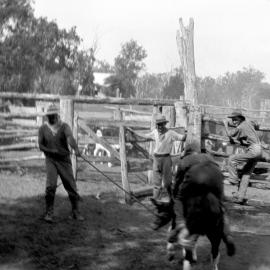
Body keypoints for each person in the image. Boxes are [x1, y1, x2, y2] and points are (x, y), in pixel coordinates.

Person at [170, 142, 235, 260]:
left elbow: (177, 183)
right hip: (215, 174)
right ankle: (227, 236)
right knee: (221, 206)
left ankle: (180, 225)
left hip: (197, 176)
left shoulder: (185, 160)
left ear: (187, 152)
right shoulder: (208, 156)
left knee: (180, 200)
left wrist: (176, 199)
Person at [38, 103, 84, 222]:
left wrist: (76, 149)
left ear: (56, 115)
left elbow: (70, 138)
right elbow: (40, 145)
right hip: (51, 161)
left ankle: (75, 212)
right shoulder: (43, 129)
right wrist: (50, 150)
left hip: (64, 160)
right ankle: (49, 213)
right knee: (50, 186)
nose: (51, 117)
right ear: (47, 116)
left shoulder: (64, 127)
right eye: (49, 115)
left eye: (53, 115)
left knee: (71, 186)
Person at [135, 113, 186, 200]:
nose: (159, 127)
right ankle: (156, 198)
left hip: (166, 158)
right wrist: (134, 132)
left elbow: (182, 138)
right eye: (158, 125)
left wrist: (188, 136)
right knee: (156, 180)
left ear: (164, 124)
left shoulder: (170, 133)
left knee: (167, 181)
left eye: (161, 124)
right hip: (156, 158)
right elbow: (145, 135)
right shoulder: (155, 132)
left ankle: (171, 197)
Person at [223, 110, 262, 186]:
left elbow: (229, 134)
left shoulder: (240, 127)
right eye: (232, 120)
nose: (234, 122)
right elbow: (257, 124)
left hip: (254, 150)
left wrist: (225, 124)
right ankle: (240, 196)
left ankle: (233, 180)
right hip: (259, 150)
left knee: (232, 159)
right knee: (246, 173)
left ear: (240, 119)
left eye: (235, 119)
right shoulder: (249, 122)